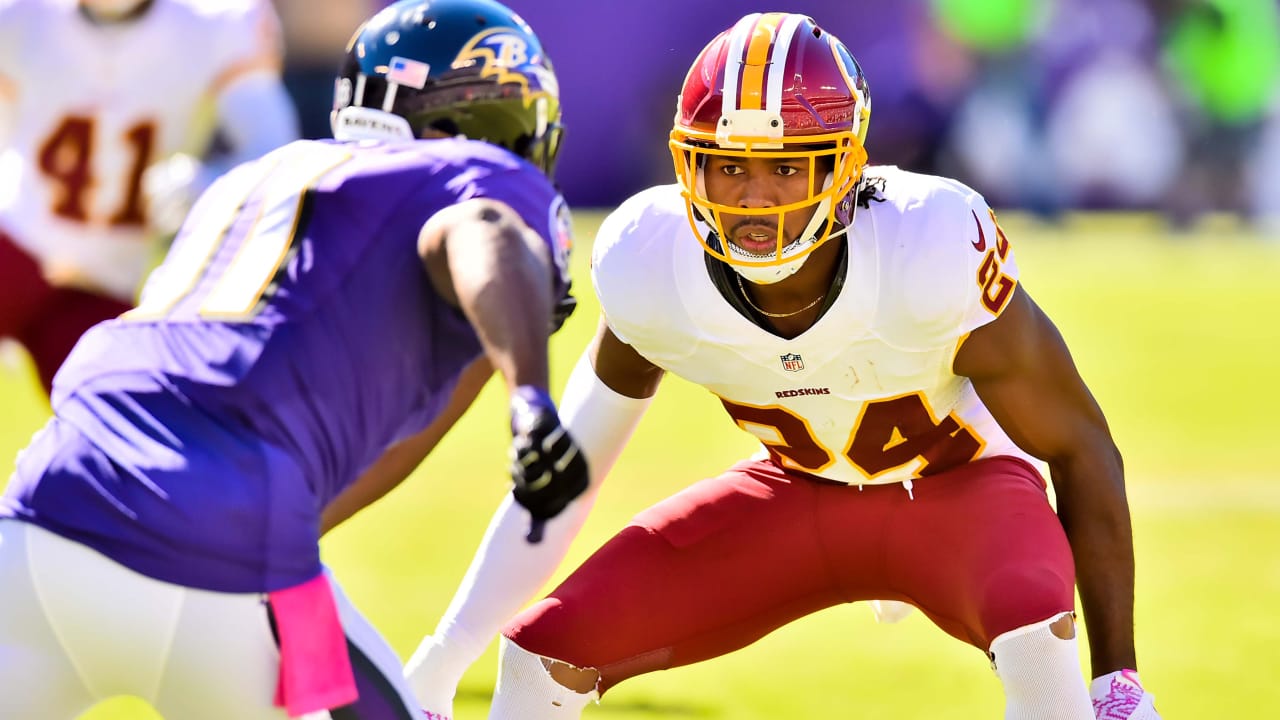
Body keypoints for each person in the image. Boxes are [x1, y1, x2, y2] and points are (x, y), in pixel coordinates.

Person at [406, 12, 1162, 720]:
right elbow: (562, 476)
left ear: (845, 167)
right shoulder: (651, 261)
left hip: (962, 495)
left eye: (787, 168)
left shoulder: (924, 247)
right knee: (538, 656)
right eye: (727, 168)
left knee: (1038, 640)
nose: (755, 199)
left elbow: (1078, 444)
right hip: (797, 496)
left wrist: (1117, 679)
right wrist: (440, 664)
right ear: (686, 167)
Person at [0, 0, 588, 717]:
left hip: (41, 514)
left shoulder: (258, 182)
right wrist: (529, 395)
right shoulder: (456, 176)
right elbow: (483, 227)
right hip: (218, 557)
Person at [0, 0, 299, 394]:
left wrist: (208, 185)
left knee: (124, 415)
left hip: (106, 281)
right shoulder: (21, 15)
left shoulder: (218, 22)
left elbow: (273, 152)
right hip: (15, 242)